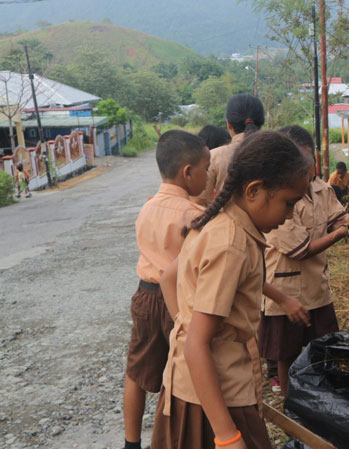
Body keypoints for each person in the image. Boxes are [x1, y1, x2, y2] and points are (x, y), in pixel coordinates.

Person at [152, 131, 311, 449]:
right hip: (215, 399)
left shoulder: (223, 225)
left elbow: (170, 278)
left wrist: (184, 324)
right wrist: (226, 435)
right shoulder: (231, 243)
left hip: (199, 387)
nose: (290, 214)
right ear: (254, 191)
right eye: (288, 203)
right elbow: (198, 344)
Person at [122, 130, 209, 449]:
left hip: (145, 295)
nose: (209, 175)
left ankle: (131, 443)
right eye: (206, 168)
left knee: (137, 370)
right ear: (188, 172)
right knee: (184, 370)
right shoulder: (195, 215)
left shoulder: (146, 207)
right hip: (179, 300)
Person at [259, 125, 349, 397]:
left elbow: (338, 215)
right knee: (286, 354)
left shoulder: (322, 188)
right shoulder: (279, 196)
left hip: (318, 287)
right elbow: (300, 250)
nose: (304, 169)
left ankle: (320, 400)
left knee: (324, 347)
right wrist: (341, 233)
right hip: (285, 289)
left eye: (307, 161)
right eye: (296, 163)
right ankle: (291, 404)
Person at [195, 93, 265, 206]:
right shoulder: (278, 152)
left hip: (226, 222)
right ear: (261, 122)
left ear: (228, 124)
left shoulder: (215, 156)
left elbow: (199, 202)